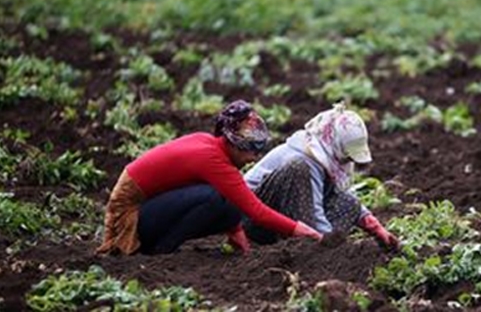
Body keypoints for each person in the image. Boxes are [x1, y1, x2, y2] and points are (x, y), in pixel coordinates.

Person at [96, 100, 322, 256]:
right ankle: (160, 250)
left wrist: (236, 230)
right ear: (232, 143)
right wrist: (305, 231)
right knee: (213, 198)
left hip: (150, 205)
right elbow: (257, 211)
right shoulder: (213, 160)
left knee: (227, 202)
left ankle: (160, 245)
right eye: (249, 151)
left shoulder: (210, 144)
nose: (252, 159)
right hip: (129, 215)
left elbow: (237, 201)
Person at [243, 102, 400, 249]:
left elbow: (339, 194)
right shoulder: (305, 159)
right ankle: (310, 247)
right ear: (335, 142)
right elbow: (313, 210)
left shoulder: (329, 153)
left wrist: (375, 226)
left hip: (284, 218)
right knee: (299, 168)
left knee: (350, 204)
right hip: (253, 218)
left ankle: (302, 244)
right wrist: (328, 244)